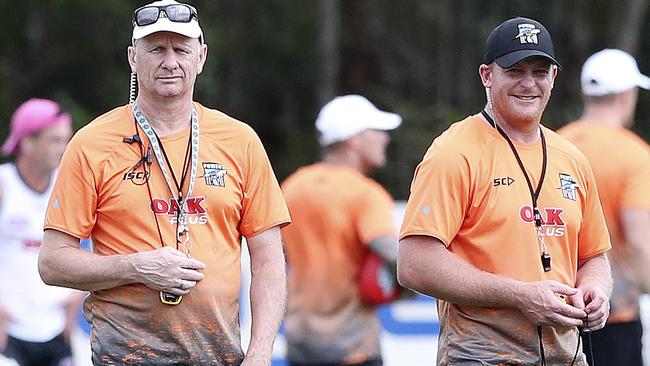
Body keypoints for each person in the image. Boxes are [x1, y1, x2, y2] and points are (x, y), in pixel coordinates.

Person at [37, 1, 291, 365]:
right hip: (124, 355)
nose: (170, 61)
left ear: (201, 57)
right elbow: (52, 263)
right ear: (132, 58)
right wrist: (137, 267)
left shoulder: (240, 140)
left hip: (220, 355)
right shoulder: (91, 143)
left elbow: (268, 258)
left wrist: (261, 351)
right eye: (156, 49)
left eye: (181, 49)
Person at [397, 17, 613, 365]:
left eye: (540, 71)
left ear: (554, 78)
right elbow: (414, 264)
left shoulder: (571, 158)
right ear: (487, 75)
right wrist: (519, 295)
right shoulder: (455, 151)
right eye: (515, 70)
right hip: (481, 355)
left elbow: (593, 257)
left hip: (567, 355)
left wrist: (596, 290)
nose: (528, 84)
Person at [281, 95, 402, 366]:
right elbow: (394, 255)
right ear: (353, 140)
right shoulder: (366, 194)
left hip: (300, 343)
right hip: (353, 346)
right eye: (377, 131)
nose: (385, 139)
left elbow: (276, 258)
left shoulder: (292, 187)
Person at [557, 48, 650, 366]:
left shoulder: (553, 145)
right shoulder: (634, 154)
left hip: (557, 313)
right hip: (614, 315)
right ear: (627, 94)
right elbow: (640, 240)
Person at [0, 98, 83, 366]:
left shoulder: (69, 185)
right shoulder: (4, 185)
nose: (64, 149)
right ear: (27, 142)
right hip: (8, 331)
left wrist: (74, 303)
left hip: (57, 330)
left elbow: (90, 248)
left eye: (66, 140)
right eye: (55, 140)